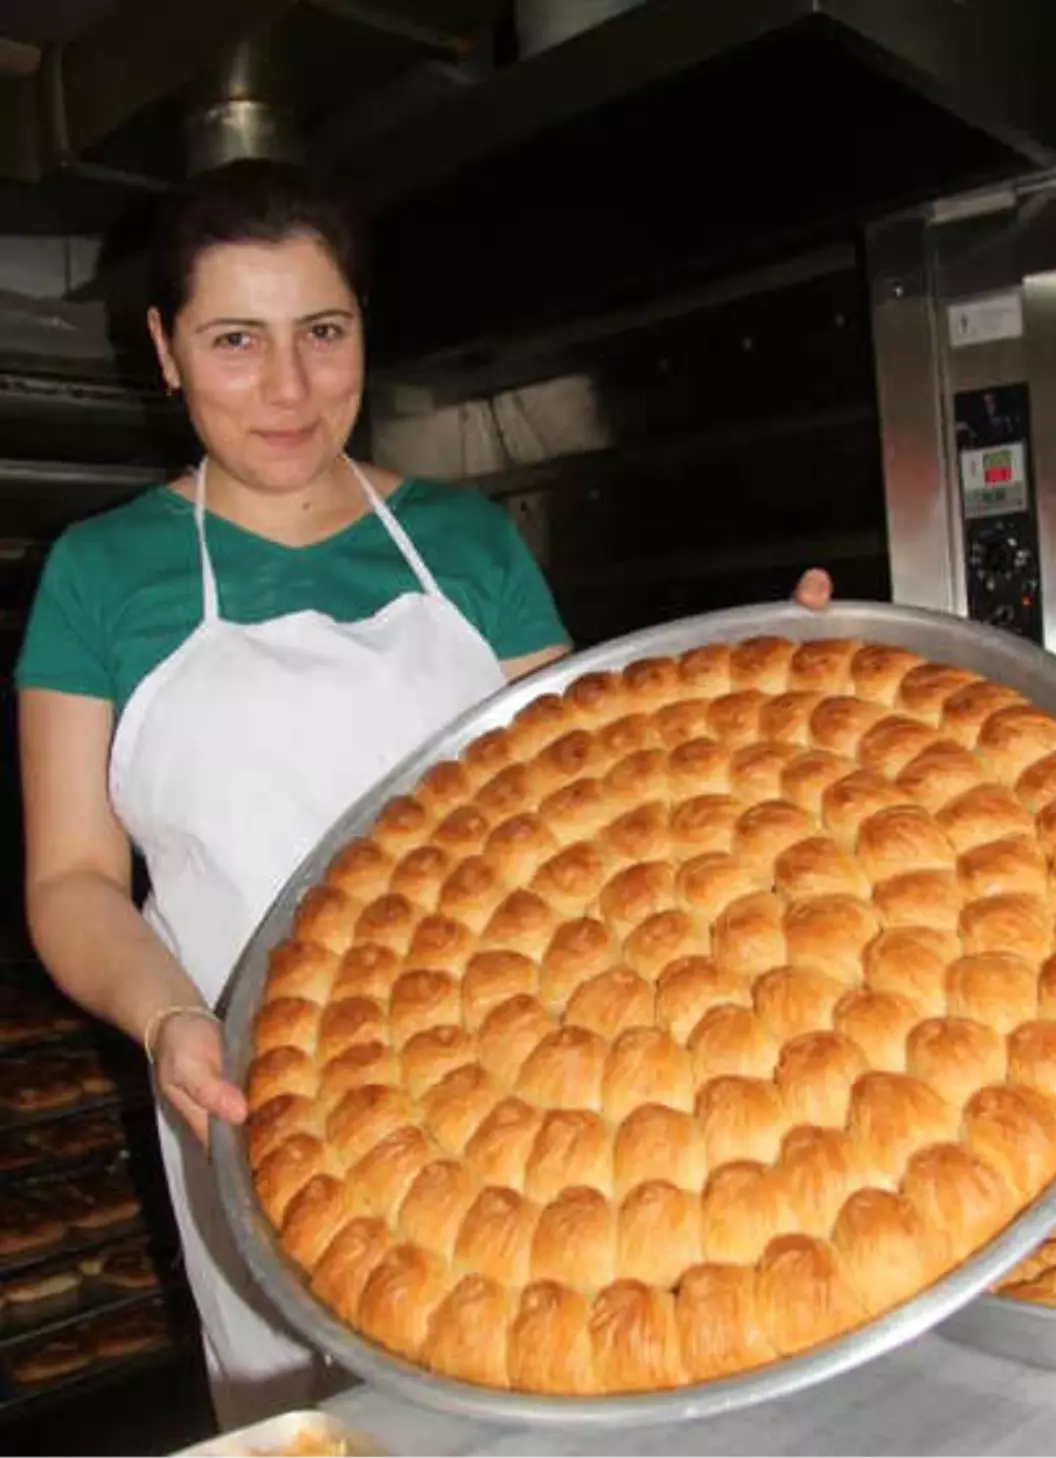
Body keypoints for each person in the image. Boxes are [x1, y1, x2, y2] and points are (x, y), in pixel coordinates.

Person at [15, 159, 834, 1430]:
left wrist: (771, 703)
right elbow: (71, 879)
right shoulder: (99, 574)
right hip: (252, 1104)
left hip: (533, 1099)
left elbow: (607, 793)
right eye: (237, 341)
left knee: (550, 1401)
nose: (288, 390)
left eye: (322, 334)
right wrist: (170, 1016)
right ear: (164, 351)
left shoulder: (465, 540)